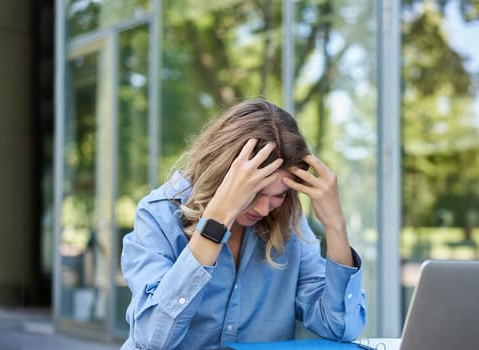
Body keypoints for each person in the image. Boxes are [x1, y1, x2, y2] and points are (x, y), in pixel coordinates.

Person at [120, 99, 367, 349]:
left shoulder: (289, 223)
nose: (263, 208)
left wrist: (335, 225)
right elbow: (152, 339)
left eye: (278, 195)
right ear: (222, 176)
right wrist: (217, 220)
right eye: (255, 193)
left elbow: (339, 327)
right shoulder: (159, 214)